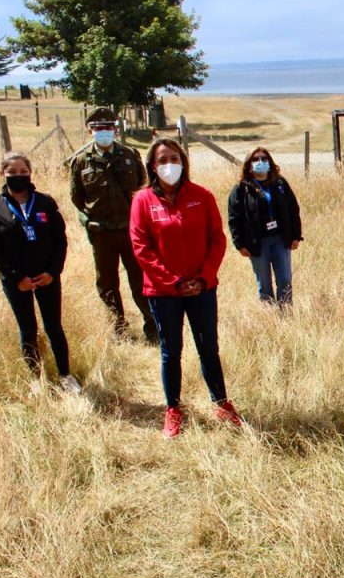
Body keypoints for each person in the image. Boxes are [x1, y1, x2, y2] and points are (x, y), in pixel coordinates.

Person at [129, 138, 242, 438]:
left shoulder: (201, 196)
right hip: (165, 292)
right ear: (152, 166)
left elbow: (217, 239)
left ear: (184, 162)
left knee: (209, 348)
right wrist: (174, 282)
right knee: (171, 351)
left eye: (174, 158)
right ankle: (173, 409)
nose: (169, 164)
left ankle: (221, 403)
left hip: (202, 288)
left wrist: (203, 277)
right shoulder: (142, 201)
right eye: (163, 159)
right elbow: (141, 248)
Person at [0, 152, 82, 393]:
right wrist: (17, 278)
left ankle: (65, 376)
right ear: (2, 174)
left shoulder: (45, 202)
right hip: (16, 281)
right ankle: (36, 379)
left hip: (46, 277)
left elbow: (60, 240)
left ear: (30, 173)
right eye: (12, 173)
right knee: (28, 329)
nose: (18, 176)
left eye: (23, 172)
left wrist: (52, 272)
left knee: (54, 327)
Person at [69, 107, 157, 342]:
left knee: (140, 280)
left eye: (108, 128)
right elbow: (77, 197)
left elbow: (142, 187)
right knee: (107, 284)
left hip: (131, 231)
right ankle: (119, 329)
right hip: (102, 233)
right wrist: (89, 222)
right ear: (90, 131)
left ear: (115, 129)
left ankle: (153, 327)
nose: (103, 132)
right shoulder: (81, 162)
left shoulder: (130, 155)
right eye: (98, 129)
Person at [228, 147, 303, 305]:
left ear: (269, 162)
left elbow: (293, 209)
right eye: (255, 160)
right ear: (249, 165)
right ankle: (269, 317)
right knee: (264, 284)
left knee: (285, 280)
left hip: (281, 240)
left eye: (264, 158)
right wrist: (239, 244)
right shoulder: (241, 189)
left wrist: (296, 235)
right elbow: (234, 218)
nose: (260, 162)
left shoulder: (280, 183)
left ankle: (286, 316)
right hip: (257, 243)